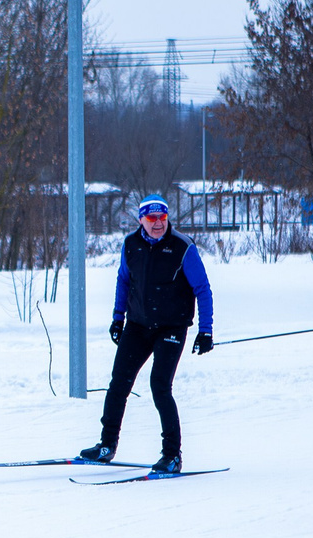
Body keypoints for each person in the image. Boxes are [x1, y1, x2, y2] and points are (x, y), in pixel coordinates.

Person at [81, 195, 215, 471]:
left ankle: (172, 455)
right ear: (141, 219)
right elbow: (123, 280)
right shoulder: (131, 244)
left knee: (160, 386)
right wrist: (117, 319)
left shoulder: (183, 247)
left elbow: (203, 289)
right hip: (138, 325)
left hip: (171, 326)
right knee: (119, 383)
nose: (158, 224)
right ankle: (107, 445)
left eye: (162, 218)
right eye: (152, 218)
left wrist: (205, 331)